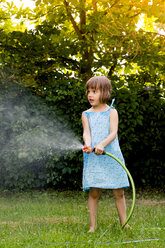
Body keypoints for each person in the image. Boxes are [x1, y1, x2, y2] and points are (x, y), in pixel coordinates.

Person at [82, 76, 130, 232]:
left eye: (94, 91)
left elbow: (113, 133)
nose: (90, 95)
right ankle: (92, 226)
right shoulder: (86, 114)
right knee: (94, 192)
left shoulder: (112, 111)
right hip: (94, 158)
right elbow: (86, 133)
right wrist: (88, 144)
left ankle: (125, 223)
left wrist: (102, 144)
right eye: (88, 91)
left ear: (105, 92)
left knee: (119, 192)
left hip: (111, 155)